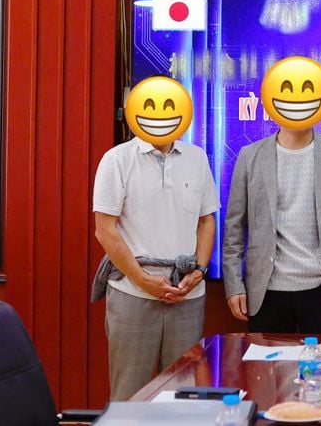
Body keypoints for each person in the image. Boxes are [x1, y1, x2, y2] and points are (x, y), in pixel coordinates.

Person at [92, 77, 218, 401]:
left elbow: (207, 220)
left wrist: (199, 270)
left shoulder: (197, 158)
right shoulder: (117, 160)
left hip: (187, 295)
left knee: (184, 394)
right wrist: (141, 279)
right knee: (129, 394)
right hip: (132, 294)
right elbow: (104, 229)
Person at [222, 59, 321, 332]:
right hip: (265, 290)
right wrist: (233, 284)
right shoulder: (250, 156)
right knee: (266, 361)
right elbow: (234, 228)